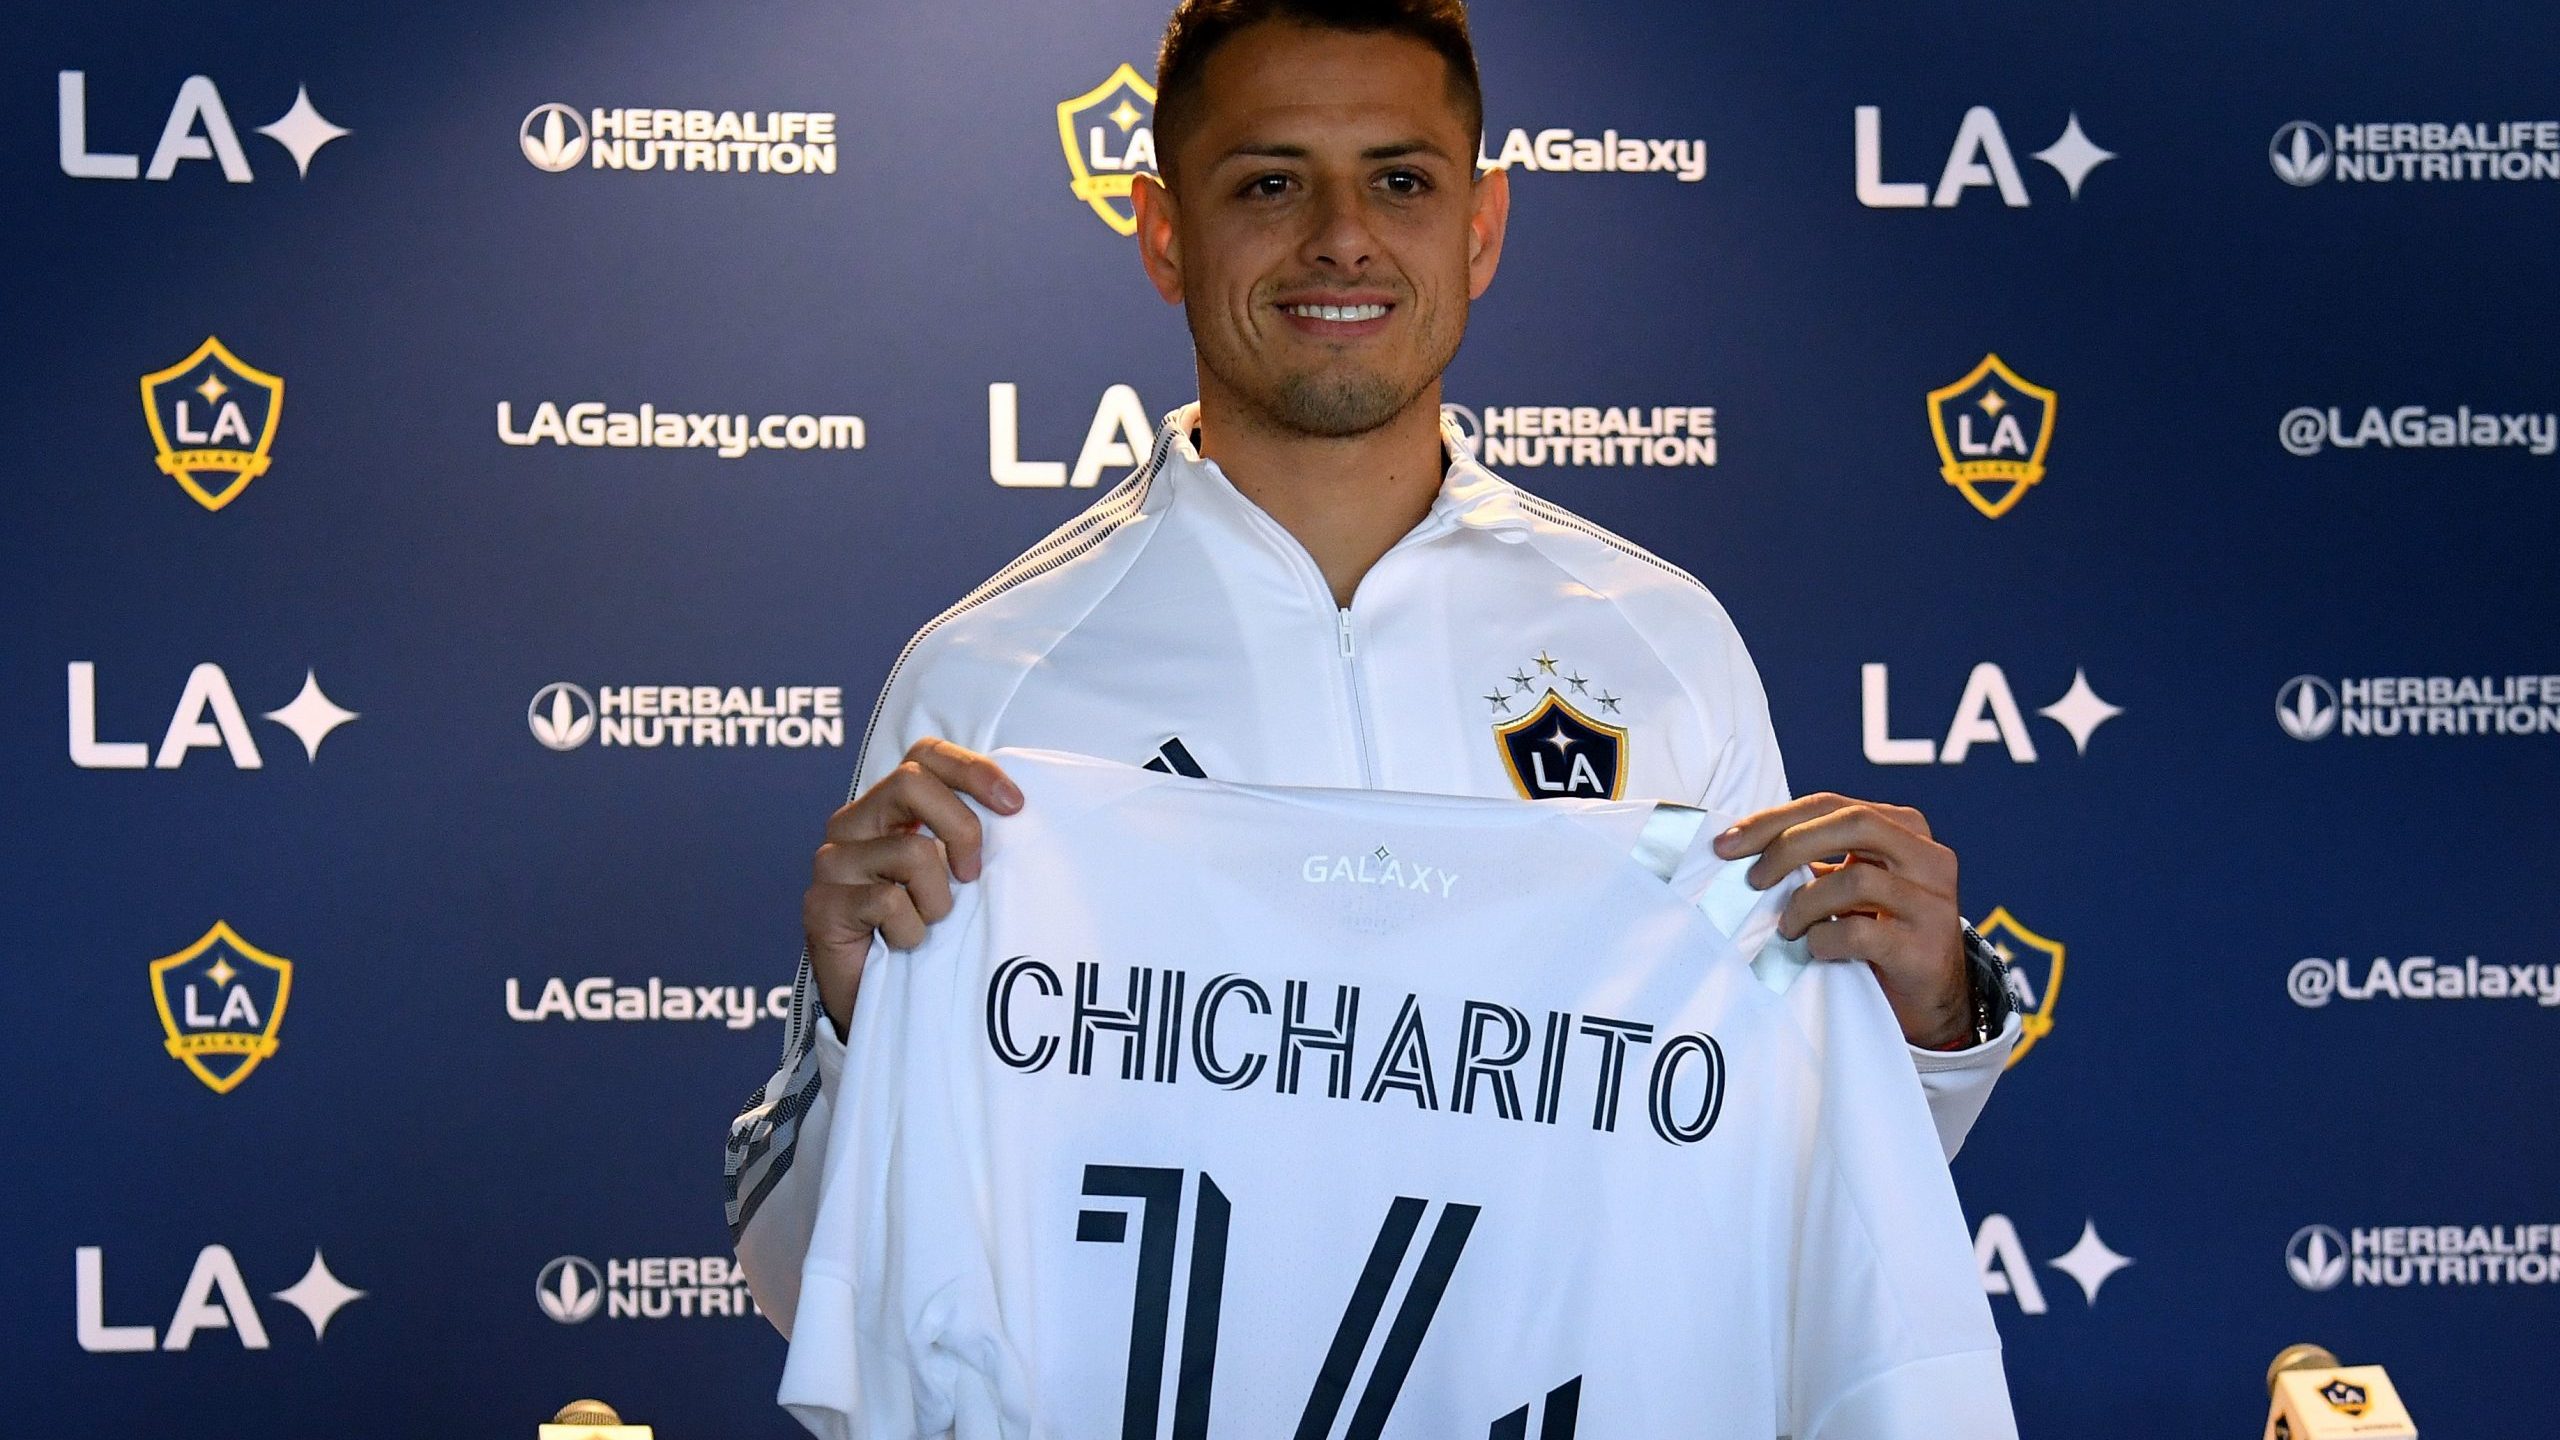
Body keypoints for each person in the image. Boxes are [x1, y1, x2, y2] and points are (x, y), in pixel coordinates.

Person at [726, 0, 2018, 1334]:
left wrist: (1919, 1037)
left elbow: (1799, 1201)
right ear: (1165, 231)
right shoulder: (987, 683)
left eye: (1399, 180)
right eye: (1270, 182)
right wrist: (855, 1025)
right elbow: (804, 1292)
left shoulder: (1663, 646)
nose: (1341, 235)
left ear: (1482, 225)